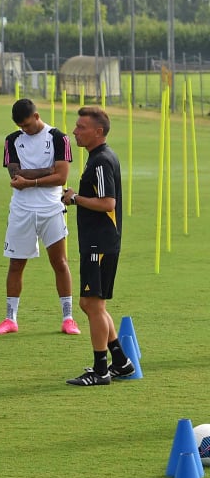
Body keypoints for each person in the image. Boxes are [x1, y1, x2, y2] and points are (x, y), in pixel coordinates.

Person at [0, 98, 78, 336]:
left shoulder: (59, 138)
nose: (25, 130)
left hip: (51, 208)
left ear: (37, 116)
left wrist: (31, 180)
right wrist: (47, 170)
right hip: (21, 210)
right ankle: (10, 319)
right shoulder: (12, 140)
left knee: (60, 263)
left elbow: (61, 177)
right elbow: (15, 173)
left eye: (28, 125)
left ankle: (68, 318)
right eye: (21, 127)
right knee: (16, 264)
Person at [61, 107, 134, 386]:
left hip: (100, 243)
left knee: (92, 304)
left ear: (98, 132)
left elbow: (108, 203)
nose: (75, 131)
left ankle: (100, 370)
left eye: (80, 127)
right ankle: (120, 361)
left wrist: (75, 198)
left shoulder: (101, 161)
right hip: (98, 241)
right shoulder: (97, 158)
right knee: (92, 304)